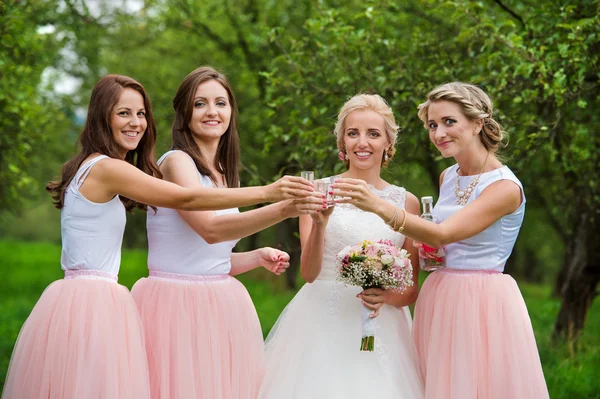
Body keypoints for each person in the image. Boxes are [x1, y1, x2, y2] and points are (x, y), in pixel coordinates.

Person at [1, 74, 313, 399]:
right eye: (124, 113)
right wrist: (270, 193)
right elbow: (186, 199)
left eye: (140, 114)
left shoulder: (99, 166)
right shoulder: (109, 168)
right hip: (92, 302)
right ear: (101, 116)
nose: (136, 122)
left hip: (85, 296)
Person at [332, 82, 549, 399]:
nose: (438, 133)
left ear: (477, 123)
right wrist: (427, 249)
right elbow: (439, 237)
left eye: (449, 122)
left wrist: (377, 205)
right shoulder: (449, 176)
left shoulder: (504, 187)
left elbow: (445, 232)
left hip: (482, 299)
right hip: (439, 293)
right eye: (433, 125)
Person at [130, 66, 324, 399]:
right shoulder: (177, 162)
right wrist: (282, 208)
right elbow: (209, 229)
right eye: (200, 103)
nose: (212, 112)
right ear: (185, 113)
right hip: (175, 306)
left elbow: (209, 259)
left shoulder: (221, 174)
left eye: (220, 103)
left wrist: (255, 257)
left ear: (231, 112)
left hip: (220, 304)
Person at [258, 94, 425, 399]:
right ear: (342, 143)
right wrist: (321, 222)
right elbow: (308, 273)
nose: (362, 142)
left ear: (388, 143)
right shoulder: (317, 191)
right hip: (321, 320)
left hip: (381, 326)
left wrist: (386, 296)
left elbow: (410, 290)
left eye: (373, 134)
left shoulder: (406, 202)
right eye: (353, 133)